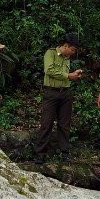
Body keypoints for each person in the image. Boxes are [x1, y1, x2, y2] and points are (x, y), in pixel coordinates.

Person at [34, 33, 84, 161]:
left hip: (66, 92)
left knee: (64, 124)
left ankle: (65, 153)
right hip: (51, 92)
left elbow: (66, 75)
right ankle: (40, 154)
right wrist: (68, 76)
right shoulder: (50, 53)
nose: (73, 53)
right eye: (72, 49)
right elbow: (49, 70)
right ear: (66, 46)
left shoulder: (67, 58)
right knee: (47, 123)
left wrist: (74, 75)